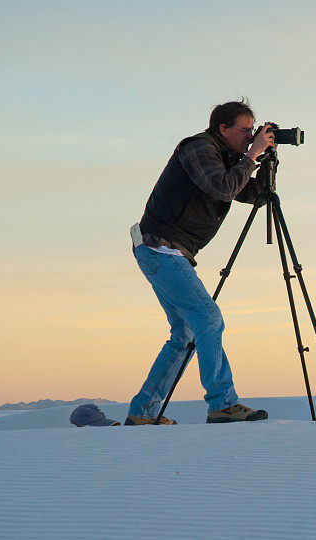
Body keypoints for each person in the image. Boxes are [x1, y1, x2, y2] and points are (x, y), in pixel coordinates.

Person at [126, 99, 274, 425]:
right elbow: (223, 188)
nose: (250, 137)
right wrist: (251, 157)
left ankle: (142, 413)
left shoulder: (224, 157)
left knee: (184, 335)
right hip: (161, 248)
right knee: (209, 318)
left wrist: (265, 164)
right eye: (245, 130)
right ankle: (222, 403)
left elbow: (248, 194)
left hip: (162, 250)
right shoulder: (199, 149)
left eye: (254, 131)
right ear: (223, 129)